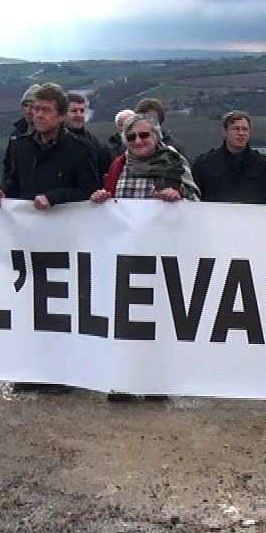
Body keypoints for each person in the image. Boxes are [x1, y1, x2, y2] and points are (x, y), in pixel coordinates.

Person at [0, 83, 101, 394]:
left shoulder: (78, 149)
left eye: (46, 110)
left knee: (60, 306)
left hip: (64, 240)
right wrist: (2, 190)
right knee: (28, 304)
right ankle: (32, 368)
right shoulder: (21, 145)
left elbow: (88, 190)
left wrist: (54, 197)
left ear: (61, 116)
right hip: (26, 238)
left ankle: (62, 372)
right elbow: (13, 178)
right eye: (35, 109)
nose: (38, 115)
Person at [91, 112, 197, 402]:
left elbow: (197, 206)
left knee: (158, 321)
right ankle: (123, 381)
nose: (138, 141)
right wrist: (101, 199)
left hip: (162, 258)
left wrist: (180, 200)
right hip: (125, 258)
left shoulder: (174, 163)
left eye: (144, 135)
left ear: (157, 136)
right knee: (124, 320)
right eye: (131, 137)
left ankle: (155, 382)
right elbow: (109, 201)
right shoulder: (118, 165)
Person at [191, 110, 266, 204]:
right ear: (225, 132)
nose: (241, 133)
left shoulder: (262, 164)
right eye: (236, 129)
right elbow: (194, 197)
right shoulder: (205, 163)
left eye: (245, 129)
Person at [65, 92, 112, 180]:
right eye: (74, 111)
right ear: (62, 113)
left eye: (82, 111)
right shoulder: (52, 140)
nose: (79, 115)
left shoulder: (93, 143)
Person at [2, 83, 41, 182]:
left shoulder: (47, 135)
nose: (28, 111)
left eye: (32, 106)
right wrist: (4, 187)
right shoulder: (16, 136)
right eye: (25, 105)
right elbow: (8, 167)